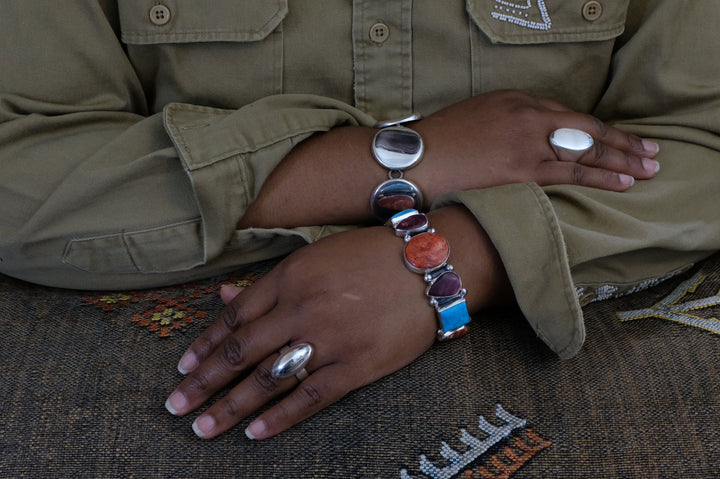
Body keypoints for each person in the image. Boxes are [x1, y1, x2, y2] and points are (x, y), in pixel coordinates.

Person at [1, 1, 718, 441]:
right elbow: (19, 175)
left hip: (580, 362)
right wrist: (412, 159)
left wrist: (450, 262)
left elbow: (698, 139)